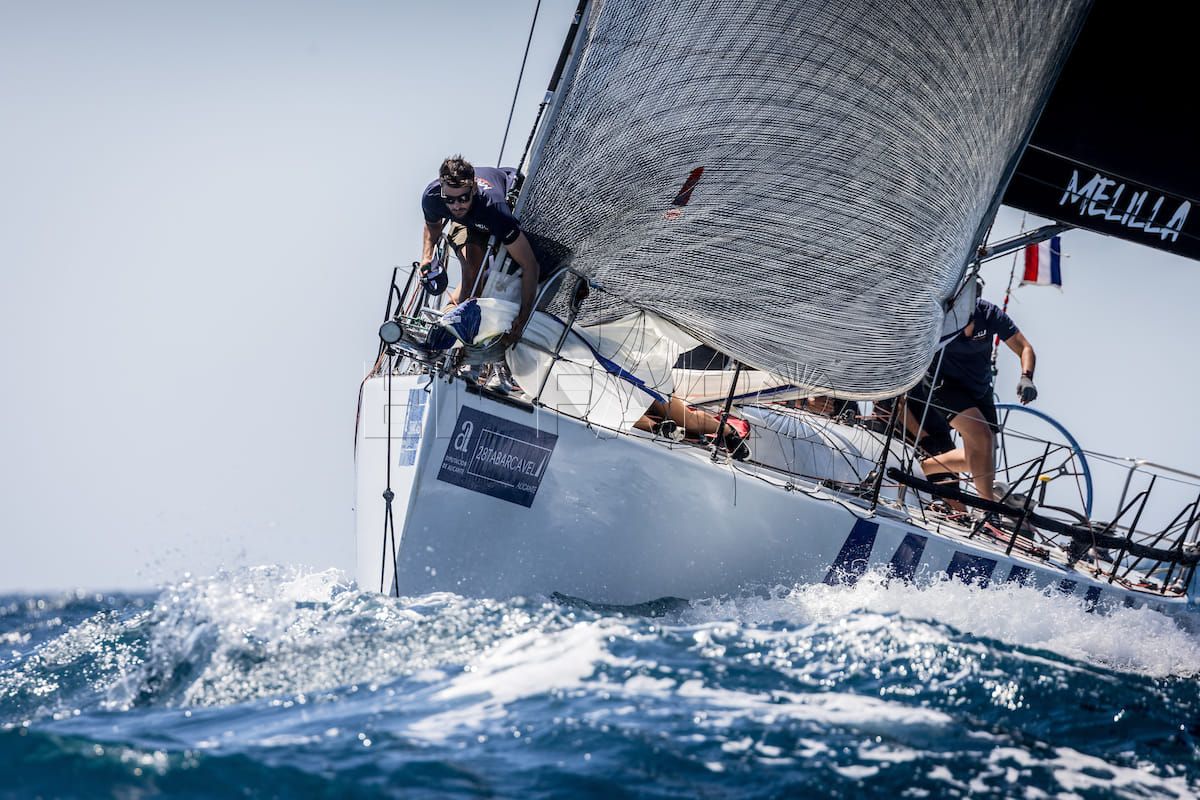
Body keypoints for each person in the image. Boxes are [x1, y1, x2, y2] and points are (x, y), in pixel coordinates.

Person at [906, 296, 1037, 502]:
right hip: (943, 385)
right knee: (981, 436)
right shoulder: (940, 316)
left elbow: (1025, 348)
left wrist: (1026, 378)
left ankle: (921, 468)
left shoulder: (989, 313)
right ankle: (988, 509)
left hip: (979, 388)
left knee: (981, 459)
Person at [419, 155, 542, 349]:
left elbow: (530, 266)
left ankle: (464, 332)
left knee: (475, 276)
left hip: (495, 212)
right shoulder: (432, 197)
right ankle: (448, 321)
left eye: (462, 198)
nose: (456, 205)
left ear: (474, 189)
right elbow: (432, 226)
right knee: (471, 272)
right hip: (467, 223)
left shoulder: (495, 210)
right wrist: (426, 257)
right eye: (449, 199)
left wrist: (524, 317)